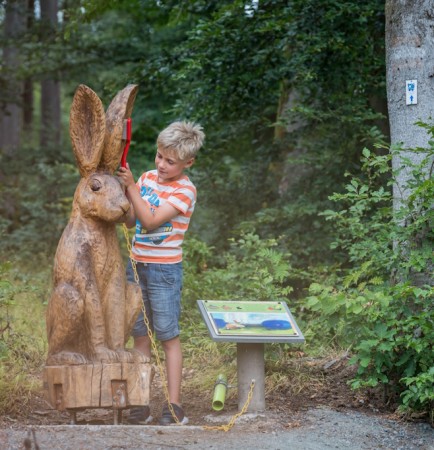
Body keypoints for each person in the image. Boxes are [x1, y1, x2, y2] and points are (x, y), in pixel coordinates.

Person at [117, 121, 205, 425]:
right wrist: (124, 194)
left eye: (170, 161)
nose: (161, 164)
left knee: (167, 335)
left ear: (187, 162)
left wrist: (131, 188)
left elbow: (152, 220)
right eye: (159, 156)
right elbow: (132, 220)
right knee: (139, 334)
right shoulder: (146, 178)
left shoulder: (185, 190)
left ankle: (174, 405)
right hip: (136, 266)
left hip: (164, 272)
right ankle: (140, 402)